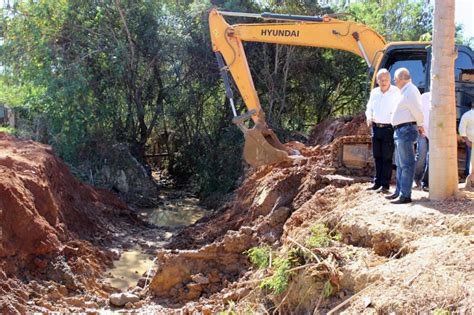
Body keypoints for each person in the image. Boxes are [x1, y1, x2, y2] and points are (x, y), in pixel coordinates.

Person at [386, 68, 424, 204]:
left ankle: (405, 195)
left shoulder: (411, 91)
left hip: (406, 129)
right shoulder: (404, 91)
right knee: (401, 164)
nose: (394, 82)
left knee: (406, 164)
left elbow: (418, 110)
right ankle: (399, 192)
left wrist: (420, 124)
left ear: (402, 78)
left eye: (395, 79)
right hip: (400, 130)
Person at [365, 69, 401, 193]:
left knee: (387, 158)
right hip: (376, 128)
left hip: (389, 128)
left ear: (389, 80)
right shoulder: (374, 92)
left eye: (386, 79)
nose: (384, 82)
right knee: (377, 156)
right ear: (377, 81)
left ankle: (385, 185)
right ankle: (377, 182)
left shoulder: (396, 92)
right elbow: (369, 107)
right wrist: (369, 118)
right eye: (381, 80)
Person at [414, 92, 430, 191]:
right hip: (422, 132)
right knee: (421, 156)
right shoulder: (424, 97)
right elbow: (417, 112)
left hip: (435, 134)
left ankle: (426, 182)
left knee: (431, 159)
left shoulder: (443, 98)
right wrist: (418, 126)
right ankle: (416, 178)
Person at [459, 101, 474, 188]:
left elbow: (462, 129)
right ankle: (470, 180)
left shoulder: (466, 115)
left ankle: (471, 179)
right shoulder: (467, 115)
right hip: (471, 141)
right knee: (470, 161)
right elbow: (462, 129)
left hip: (470, 140)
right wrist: (467, 141)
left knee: (471, 160)